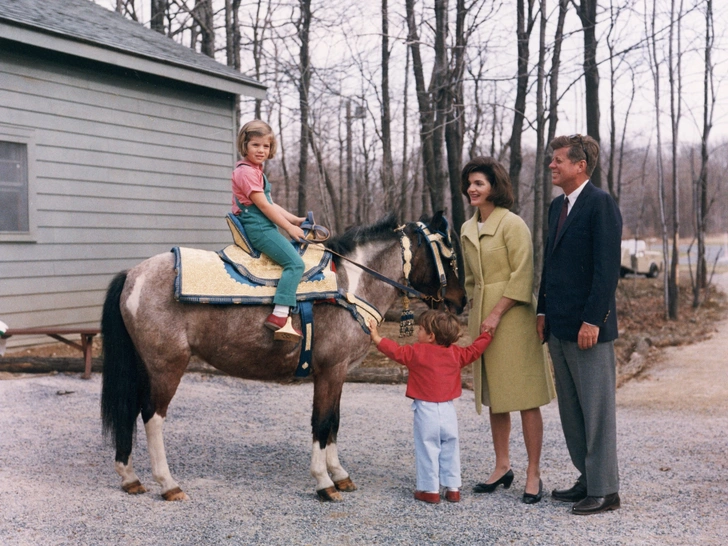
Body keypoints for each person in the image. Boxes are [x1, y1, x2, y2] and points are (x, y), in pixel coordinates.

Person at [459, 156, 555, 504]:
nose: (472, 188)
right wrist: (476, 311)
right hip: (482, 317)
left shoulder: (513, 224)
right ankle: (502, 466)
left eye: (479, 183)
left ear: (494, 187)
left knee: (525, 397)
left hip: (513, 317)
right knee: (496, 396)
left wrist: (497, 313)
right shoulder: (467, 228)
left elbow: (523, 274)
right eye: (470, 183)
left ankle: (533, 472)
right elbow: (471, 280)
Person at [537, 134, 623, 515]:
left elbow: (606, 271)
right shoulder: (557, 207)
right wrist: (542, 312)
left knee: (596, 410)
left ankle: (606, 490)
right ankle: (587, 479)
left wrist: (594, 320)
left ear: (580, 166)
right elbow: (550, 266)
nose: (552, 166)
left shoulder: (600, 204)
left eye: (558, 160)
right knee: (572, 410)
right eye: (552, 160)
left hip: (589, 330)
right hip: (558, 326)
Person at [368, 311, 492, 504]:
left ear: (431, 336)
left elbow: (395, 351)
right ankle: (453, 488)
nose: (418, 332)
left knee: (427, 447)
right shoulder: (456, 353)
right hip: (448, 409)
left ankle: (429, 489)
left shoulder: (416, 352)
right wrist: (487, 335)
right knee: (450, 446)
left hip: (425, 409)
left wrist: (376, 337)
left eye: (421, 329)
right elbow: (474, 350)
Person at [232, 120, 306, 342]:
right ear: (245, 145)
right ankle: (280, 315)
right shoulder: (246, 173)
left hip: (264, 224)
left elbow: (270, 203)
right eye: (255, 145)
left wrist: (295, 219)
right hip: (258, 228)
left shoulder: (255, 171)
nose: (261, 150)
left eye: (265, 146)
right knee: (295, 264)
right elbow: (263, 207)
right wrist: (289, 228)